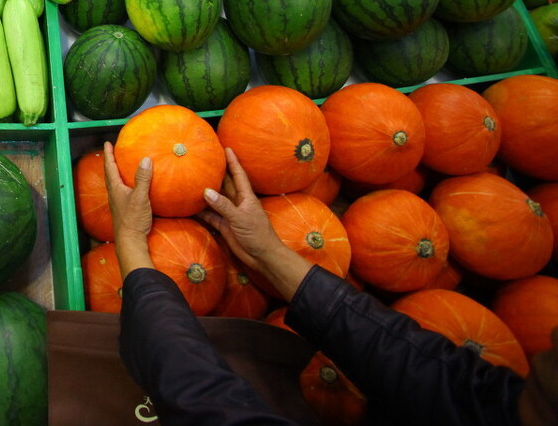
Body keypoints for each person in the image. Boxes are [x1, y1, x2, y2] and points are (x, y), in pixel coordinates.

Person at [103, 143, 558, 426]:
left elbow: (205, 403)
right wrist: (268, 252)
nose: (554, 335)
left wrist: (131, 245)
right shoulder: (509, 404)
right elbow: (422, 369)